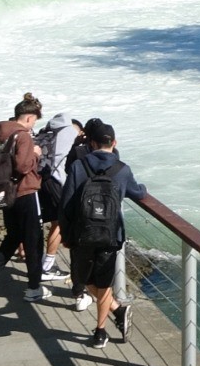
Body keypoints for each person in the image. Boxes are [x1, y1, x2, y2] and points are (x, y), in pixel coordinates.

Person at [60, 120, 146, 349]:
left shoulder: (79, 167)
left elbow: (66, 204)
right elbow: (137, 192)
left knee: (85, 281)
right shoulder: (123, 169)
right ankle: (116, 312)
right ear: (114, 143)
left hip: (81, 234)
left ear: (91, 143)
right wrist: (144, 189)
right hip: (111, 236)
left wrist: (66, 236)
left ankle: (101, 331)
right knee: (104, 284)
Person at [0, 93, 46, 303]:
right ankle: (34, 288)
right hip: (25, 193)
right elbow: (23, 166)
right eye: (34, 121)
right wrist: (34, 153)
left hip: (5, 195)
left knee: (13, 237)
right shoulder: (23, 136)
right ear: (29, 117)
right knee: (33, 241)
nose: (33, 126)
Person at [35, 112, 77, 282]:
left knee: (50, 222)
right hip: (55, 182)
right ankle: (47, 266)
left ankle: (42, 262)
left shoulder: (45, 131)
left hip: (41, 180)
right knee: (59, 223)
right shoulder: (69, 131)